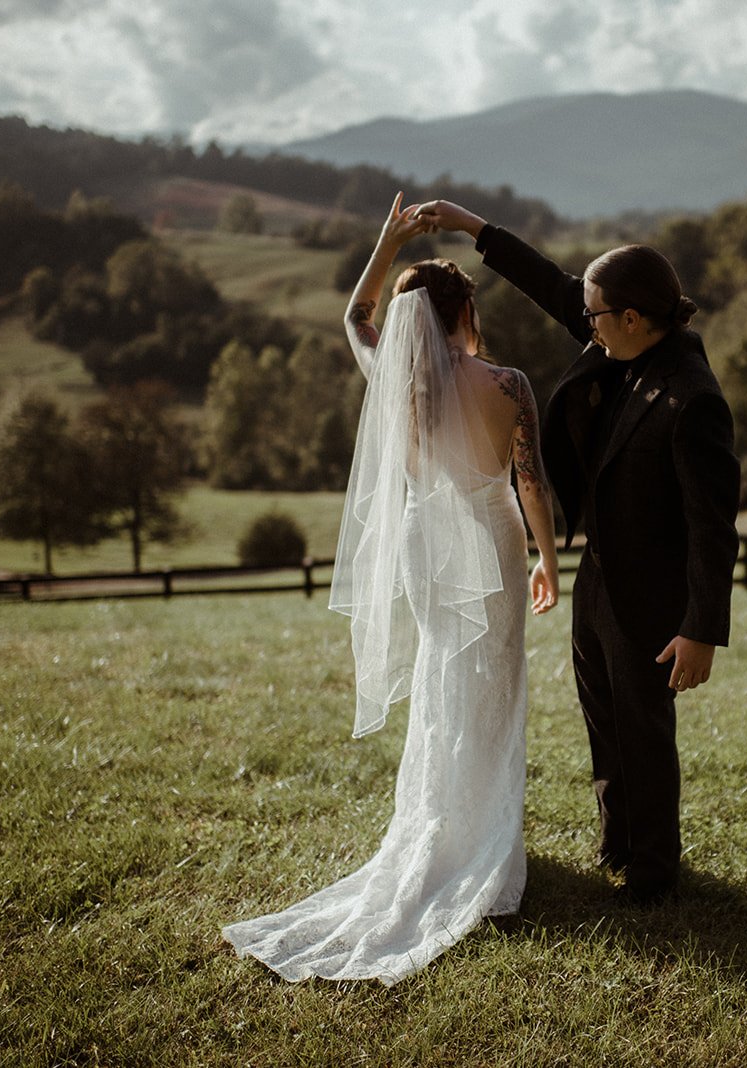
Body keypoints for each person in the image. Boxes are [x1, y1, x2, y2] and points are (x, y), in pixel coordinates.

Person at [222, 194, 559, 983]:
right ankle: (484, 840)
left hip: (425, 552)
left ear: (412, 318)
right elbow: (530, 480)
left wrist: (383, 243)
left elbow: (354, 316)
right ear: (466, 309)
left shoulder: (393, 384)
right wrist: (547, 557)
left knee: (445, 675)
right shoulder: (508, 384)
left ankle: (441, 824)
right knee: (495, 683)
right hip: (492, 542)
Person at [417, 200, 740, 906]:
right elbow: (552, 283)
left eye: (592, 315)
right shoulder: (616, 339)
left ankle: (654, 871)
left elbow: (714, 526)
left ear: (630, 317)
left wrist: (701, 629)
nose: (581, 322)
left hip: (652, 594)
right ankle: (616, 840)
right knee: (602, 717)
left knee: (643, 728)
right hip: (598, 576)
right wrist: (471, 228)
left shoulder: (692, 399)